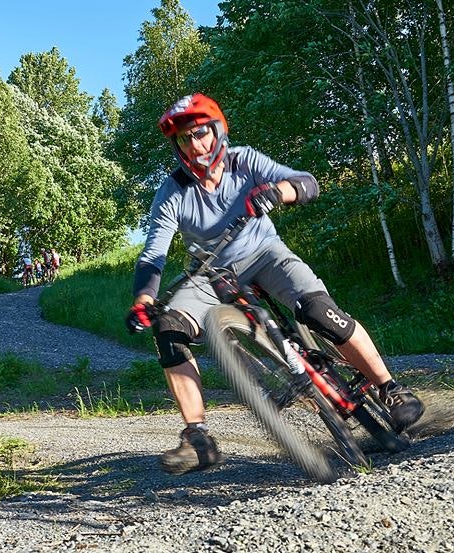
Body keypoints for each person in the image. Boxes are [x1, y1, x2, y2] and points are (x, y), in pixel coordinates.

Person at [125, 93, 425, 475]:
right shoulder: (172, 192)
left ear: (216, 131)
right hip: (211, 273)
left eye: (199, 133)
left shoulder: (245, 160)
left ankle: (390, 388)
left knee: (318, 310)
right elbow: (154, 253)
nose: (194, 144)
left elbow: (307, 183)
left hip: (266, 253)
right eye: (184, 138)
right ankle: (197, 438)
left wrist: (278, 191)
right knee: (169, 328)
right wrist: (144, 299)